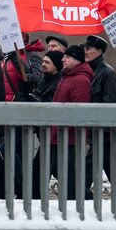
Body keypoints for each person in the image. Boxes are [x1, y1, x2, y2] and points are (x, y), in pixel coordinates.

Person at [51, 49, 93, 200]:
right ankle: (81, 200)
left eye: (68, 57)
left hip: (70, 138)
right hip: (60, 135)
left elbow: (79, 110)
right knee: (63, 172)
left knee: (68, 175)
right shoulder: (68, 77)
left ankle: (82, 201)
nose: (63, 59)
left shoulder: (80, 80)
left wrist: (62, 127)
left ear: (78, 60)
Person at [84, 35, 116, 104]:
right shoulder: (85, 70)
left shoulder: (108, 73)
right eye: (84, 49)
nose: (85, 52)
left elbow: (111, 101)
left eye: (88, 49)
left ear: (99, 51)